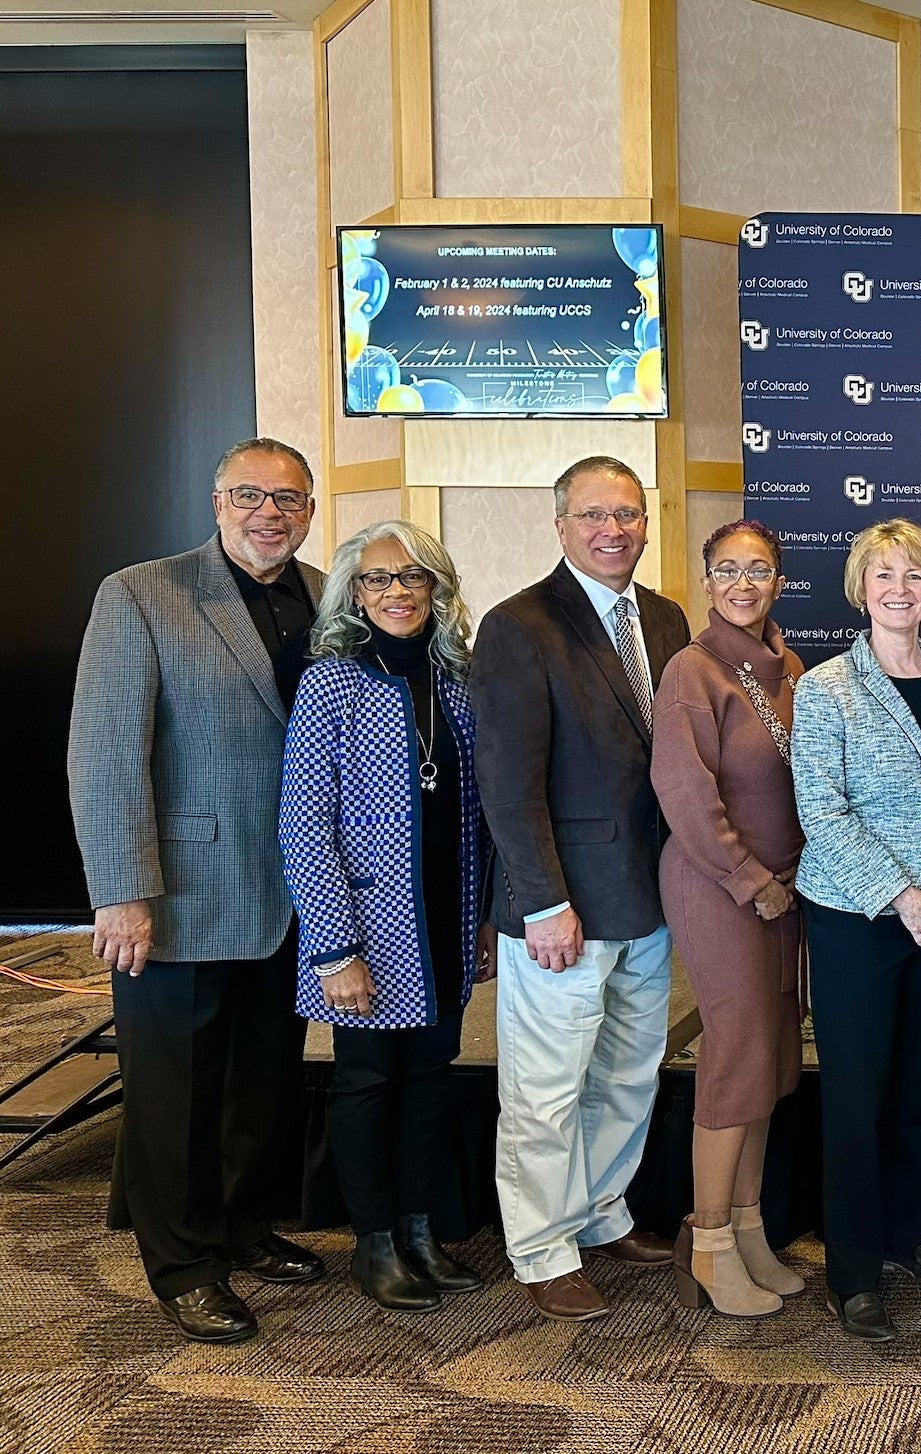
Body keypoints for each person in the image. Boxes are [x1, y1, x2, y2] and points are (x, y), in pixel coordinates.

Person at [68, 438, 328, 1344]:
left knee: (262, 1080)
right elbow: (105, 756)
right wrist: (122, 892)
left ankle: (245, 1228)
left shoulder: (329, 597)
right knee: (176, 1090)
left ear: (309, 508)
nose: (271, 513)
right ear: (217, 501)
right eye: (251, 495)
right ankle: (182, 1265)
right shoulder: (142, 593)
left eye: (289, 499)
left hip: (296, 892)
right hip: (179, 892)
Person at [470, 455, 692, 1322]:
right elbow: (507, 783)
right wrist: (541, 905)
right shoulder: (518, 625)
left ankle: (601, 1215)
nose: (614, 531)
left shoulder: (667, 618)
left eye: (628, 515)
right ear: (560, 526)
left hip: (651, 898)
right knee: (545, 1086)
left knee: (629, 1072)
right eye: (595, 516)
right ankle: (540, 1247)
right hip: (562, 908)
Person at [791, 519, 921, 1343]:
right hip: (859, 919)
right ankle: (852, 1272)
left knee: (919, 1091)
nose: (898, 589)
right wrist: (903, 895)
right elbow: (823, 812)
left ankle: (901, 1239)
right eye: (883, 574)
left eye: (913, 574)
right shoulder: (825, 688)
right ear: (860, 588)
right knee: (856, 1097)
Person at [278, 520, 492, 1312]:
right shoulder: (331, 681)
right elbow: (305, 822)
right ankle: (374, 1243)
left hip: (445, 915)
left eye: (411, 578)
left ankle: (419, 1227)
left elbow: (477, 811)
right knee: (369, 1081)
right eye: (376, 580)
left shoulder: (459, 680)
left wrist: (478, 923)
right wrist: (334, 951)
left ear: (436, 589)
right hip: (368, 928)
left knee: (430, 1079)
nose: (395, 593)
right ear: (352, 594)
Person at [651, 519, 808, 1319]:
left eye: (759, 570)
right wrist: (752, 881)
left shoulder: (788, 670)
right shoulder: (692, 670)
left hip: (786, 893)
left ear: (778, 582)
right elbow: (685, 797)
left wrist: (791, 881)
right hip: (723, 890)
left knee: (774, 1060)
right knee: (736, 1054)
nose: (743, 584)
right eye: (726, 570)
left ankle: (747, 1229)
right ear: (706, 581)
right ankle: (707, 1240)